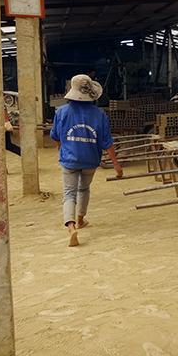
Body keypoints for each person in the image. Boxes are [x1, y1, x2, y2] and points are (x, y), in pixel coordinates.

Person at [50, 74, 123, 247]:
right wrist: (116, 165)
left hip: (69, 159)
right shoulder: (99, 114)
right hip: (91, 159)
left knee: (69, 192)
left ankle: (71, 226)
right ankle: (80, 220)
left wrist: (61, 149)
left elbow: (55, 136)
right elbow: (107, 142)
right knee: (83, 189)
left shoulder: (61, 112)